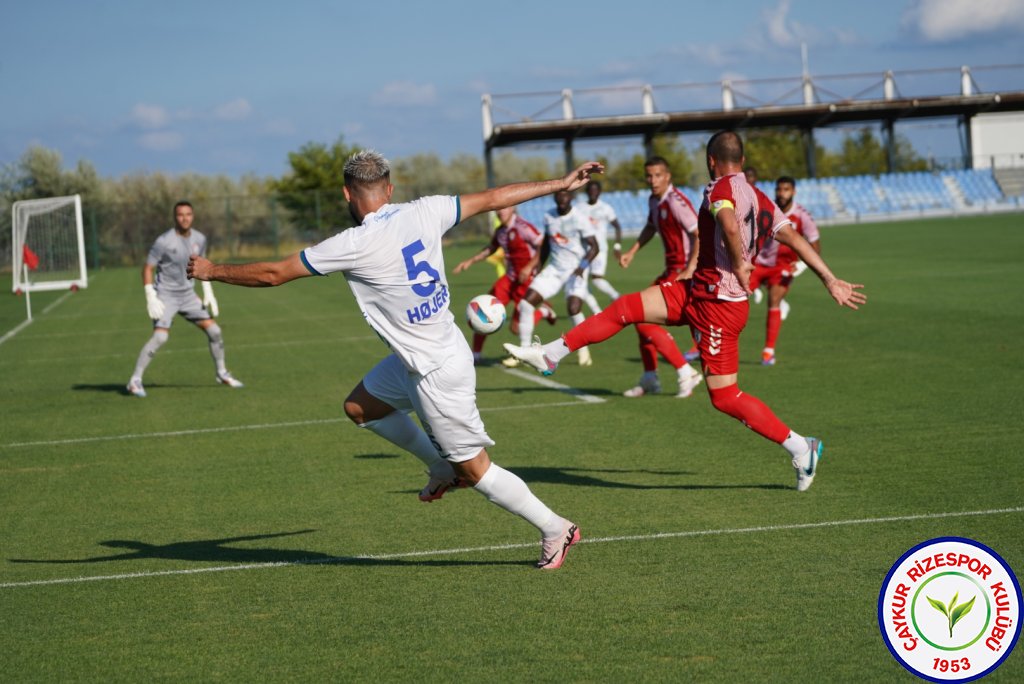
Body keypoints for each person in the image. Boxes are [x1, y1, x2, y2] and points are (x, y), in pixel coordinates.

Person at [188, 150, 602, 569]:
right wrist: (560, 184)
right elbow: (496, 197)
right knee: (361, 408)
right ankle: (438, 466)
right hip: (426, 354)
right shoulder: (427, 209)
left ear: (347, 193)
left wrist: (211, 270)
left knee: (475, 471)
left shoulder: (352, 243)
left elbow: (274, 274)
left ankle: (555, 527)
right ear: (389, 189)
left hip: (435, 371)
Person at [504, 131, 866, 492]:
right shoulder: (759, 197)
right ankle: (551, 354)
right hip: (696, 289)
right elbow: (794, 238)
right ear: (740, 159)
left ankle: (802, 448)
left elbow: (726, 223)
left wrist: (740, 263)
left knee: (725, 397)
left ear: (711, 161)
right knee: (626, 307)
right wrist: (830, 279)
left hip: (719, 308)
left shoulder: (718, 190)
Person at [126, 201, 243, 397]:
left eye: (188, 214)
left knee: (215, 331)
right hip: (166, 295)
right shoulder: (163, 241)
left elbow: (202, 266)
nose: (185, 218)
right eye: (180, 215)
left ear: (193, 216)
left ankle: (222, 373)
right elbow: (148, 268)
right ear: (175, 217)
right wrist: (150, 296)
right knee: (160, 337)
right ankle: (134, 380)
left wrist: (208, 292)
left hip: (188, 295)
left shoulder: (200, 238)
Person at [616, 157, 703, 398]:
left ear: (668, 177)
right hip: (670, 270)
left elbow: (699, 234)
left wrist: (689, 270)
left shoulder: (677, 202)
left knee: (642, 318)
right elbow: (651, 226)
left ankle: (686, 371)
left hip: (682, 272)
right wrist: (632, 252)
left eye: (657, 175)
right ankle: (650, 377)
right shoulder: (655, 200)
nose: (652, 180)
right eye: (649, 176)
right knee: (638, 317)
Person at [452, 205, 556, 364]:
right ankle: (476, 354)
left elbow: (543, 245)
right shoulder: (500, 231)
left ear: (513, 209)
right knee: (482, 307)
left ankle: (543, 311)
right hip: (509, 279)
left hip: (526, 281)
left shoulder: (523, 227)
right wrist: (470, 261)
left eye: (504, 209)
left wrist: (529, 267)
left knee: (516, 329)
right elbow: (491, 248)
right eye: (498, 210)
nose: (500, 212)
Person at [512, 189, 599, 367]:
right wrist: (538, 266)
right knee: (526, 303)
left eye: (566, 195)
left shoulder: (579, 218)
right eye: (559, 195)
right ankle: (525, 351)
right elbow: (546, 245)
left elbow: (594, 247)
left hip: (576, 269)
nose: (562, 198)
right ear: (554, 197)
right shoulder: (548, 216)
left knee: (573, 308)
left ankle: (583, 350)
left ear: (571, 198)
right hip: (555, 269)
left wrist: (582, 267)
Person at [749, 176, 821, 366]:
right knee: (735, 297)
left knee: (773, 302)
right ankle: (700, 347)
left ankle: (768, 351)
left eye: (786, 189)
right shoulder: (768, 207)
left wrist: (803, 265)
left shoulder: (802, 215)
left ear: (794, 191)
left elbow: (815, 244)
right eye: (779, 189)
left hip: (782, 266)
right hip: (758, 263)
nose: (782, 193)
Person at [574, 180, 623, 311]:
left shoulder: (605, 208)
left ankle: (616, 297)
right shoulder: (579, 208)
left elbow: (617, 226)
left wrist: (617, 246)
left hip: (599, 250)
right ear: (587, 192)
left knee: (596, 279)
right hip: (583, 251)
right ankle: (597, 311)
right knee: (579, 281)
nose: (593, 193)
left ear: (600, 192)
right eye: (590, 190)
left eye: (596, 190)